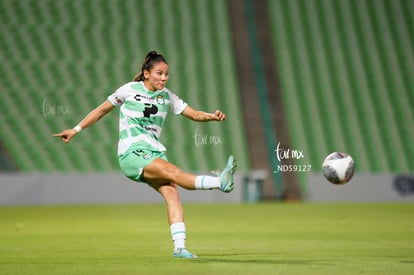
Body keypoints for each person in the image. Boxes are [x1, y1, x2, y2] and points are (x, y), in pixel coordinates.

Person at [53, 50, 236, 259]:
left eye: (166, 74)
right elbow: (102, 110)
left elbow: (194, 114)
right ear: (146, 73)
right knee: (173, 172)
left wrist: (212, 116)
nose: (164, 78)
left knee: (172, 193)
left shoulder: (168, 96)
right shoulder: (129, 90)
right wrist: (75, 130)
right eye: (159, 73)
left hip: (154, 151)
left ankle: (179, 248)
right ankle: (219, 182)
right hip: (132, 152)